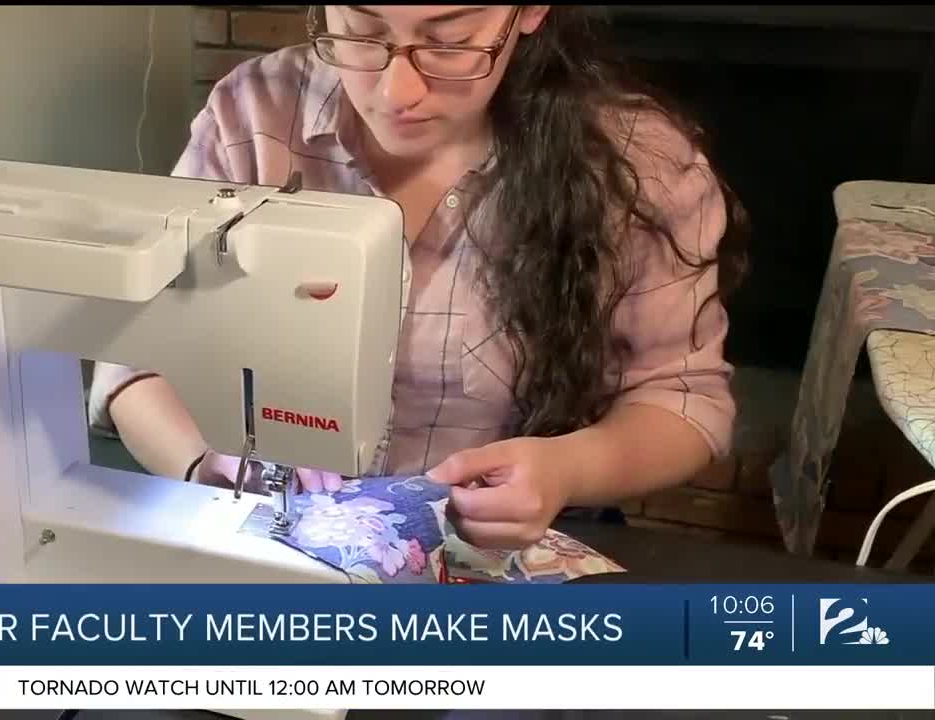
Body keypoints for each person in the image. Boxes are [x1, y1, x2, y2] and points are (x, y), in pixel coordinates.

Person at [88, 5, 748, 550]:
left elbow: (683, 401)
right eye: (363, 31)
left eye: (451, 41)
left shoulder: (638, 165)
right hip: (273, 538)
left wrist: (564, 469)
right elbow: (137, 360)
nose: (396, 93)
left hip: (505, 552)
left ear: (528, 13)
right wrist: (209, 463)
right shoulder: (253, 119)